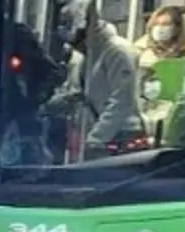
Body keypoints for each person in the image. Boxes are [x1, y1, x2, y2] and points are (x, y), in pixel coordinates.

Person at [45, 0, 144, 160]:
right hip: (95, 138)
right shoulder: (82, 57)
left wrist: (96, 139)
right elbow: (77, 92)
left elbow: (122, 102)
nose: (75, 47)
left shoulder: (118, 51)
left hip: (121, 137)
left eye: (77, 41)